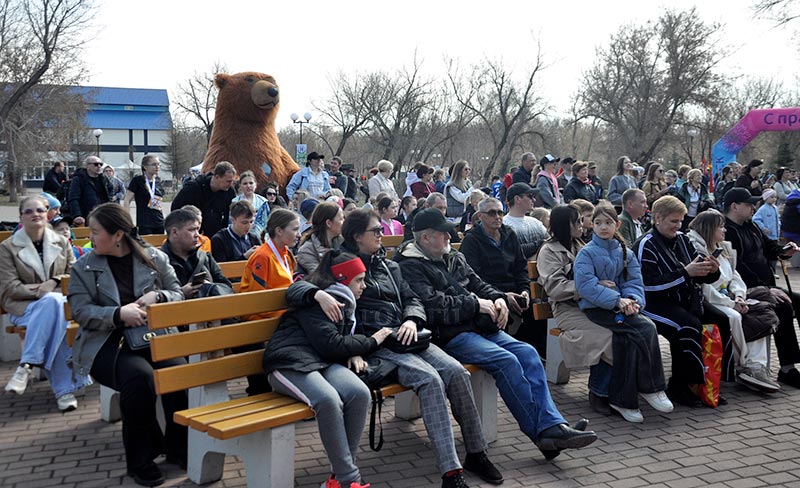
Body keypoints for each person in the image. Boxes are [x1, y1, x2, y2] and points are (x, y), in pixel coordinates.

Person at [295, 209, 504, 487]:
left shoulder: (387, 265)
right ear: (357, 236)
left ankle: (476, 453)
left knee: (457, 373)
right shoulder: (339, 264)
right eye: (376, 231)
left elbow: (412, 298)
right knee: (430, 380)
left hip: (409, 335)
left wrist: (411, 319)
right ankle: (451, 473)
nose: (383, 235)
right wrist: (317, 293)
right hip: (379, 343)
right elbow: (297, 289)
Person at [396, 208, 598, 461]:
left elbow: (478, 283)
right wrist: (476, 304)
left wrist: (498, 299)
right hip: (450, 335)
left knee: (527, 352)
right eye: (444, 233)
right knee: (507, 361)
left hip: (479, 327)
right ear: (426, 238)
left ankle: (552, 425)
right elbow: (431, 306)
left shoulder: (453, 257)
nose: (450, 237)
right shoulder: (410, 265)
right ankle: (543, 434)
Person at [68, 203, 187, 487]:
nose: (90, 238)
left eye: (95, 232)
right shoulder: (83, 267)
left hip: (151, 336)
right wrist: (117, 314)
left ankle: (178, 448)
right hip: (107, 344)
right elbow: (80, 311)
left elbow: (178, 292)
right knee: (140, 378)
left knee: (180, 375)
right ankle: (140, 460)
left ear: (118, 234)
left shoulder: (154, 258)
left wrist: (158, 297)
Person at [264, 251, 391, 488]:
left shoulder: (346, 302)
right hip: (288, 362)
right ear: (342, 280)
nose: (364, 286)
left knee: (359, 393)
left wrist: (355, 350)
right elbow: (330, 343)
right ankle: (349, 479)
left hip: (322, 361)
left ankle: (338, 478)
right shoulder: (319, 299)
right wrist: (373, 341)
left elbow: (338, 340)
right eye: (359, 280)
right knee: (328, 400)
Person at [574, 203, 671, 422]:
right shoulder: (586, 253)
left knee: (626, 339)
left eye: (608, 222)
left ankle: (623, 400)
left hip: (621, 307)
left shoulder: (623, 250)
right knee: (646, 327)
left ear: (617, 224)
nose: (603, 227)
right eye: (598, 223)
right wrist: (618, 300)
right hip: (599, 309)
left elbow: (634, 280)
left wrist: (634, 300)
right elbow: (586, 286)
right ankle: (651, 386)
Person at [634, 196, 733, 408]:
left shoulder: (683, 239)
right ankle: (680, 386)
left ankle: (711, 384)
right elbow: (647, 286)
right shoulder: (645, 244)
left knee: (721, 320)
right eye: (673, 221)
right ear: (657, 218)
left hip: (683, 298)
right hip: (652, 304)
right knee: (687, 326)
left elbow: (698, 274)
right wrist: (686, 274)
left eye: (680, 221)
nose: (678, 226)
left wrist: (711, 271)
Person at [1, 196, 92, 411]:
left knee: (55, 311)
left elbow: (73, 273)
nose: (35, 215)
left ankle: (26, 365)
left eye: (40, 210)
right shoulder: (7, 248)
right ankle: (64, 390)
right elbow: (8, 287)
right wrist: (41, 292)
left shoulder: (60, 242)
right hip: (23, 307)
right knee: (54, 307)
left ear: (47, 213)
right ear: (21, 217)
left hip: (58, 305)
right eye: (29, 211)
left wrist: (53, 282)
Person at [687, 210, 780, 393]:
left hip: (729, 297)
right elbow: (706, 289)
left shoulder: (723, 248)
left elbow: (735, 277)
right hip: (711, 300)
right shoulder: (697, 250)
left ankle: (756, 366)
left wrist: (739, 296)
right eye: (720, 226)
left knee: (759, 315)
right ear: (709, 229)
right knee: (734, 316)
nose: (724, 230)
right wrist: (732, 303)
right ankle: (743, 365)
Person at [536, 204, 614, 415]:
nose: (583, 224)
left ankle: (623, 387)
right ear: (564, 224)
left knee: (626, 329)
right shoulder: (548, 251)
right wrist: (589, 287)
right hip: (567, 309)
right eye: (577, 221)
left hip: (592, 304)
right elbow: (555, 288)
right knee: (605, 335)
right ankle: (598, 392)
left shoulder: (582, 245)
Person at [724, 188, 800, 388]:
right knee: (783, 306)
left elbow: (769, 248)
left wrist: (785, 251)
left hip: (766, 286)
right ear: (734, 206)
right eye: (749, 204)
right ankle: (787, 368)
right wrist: (765, 288)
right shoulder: (727, 232)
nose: (753, 207)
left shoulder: (751, 226)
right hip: (747, 289)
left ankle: (790, 363)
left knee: (797, 300)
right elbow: (738, 267)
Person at [461, 198, 543, 351]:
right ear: (480, 216)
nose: (497, 216)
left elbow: (520, 267)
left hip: (515, 291)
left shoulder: (509, 234)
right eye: (492, 213)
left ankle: (531, 352)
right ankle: (512, 352)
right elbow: (473, 278)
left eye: (500, 212)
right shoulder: (472, 240)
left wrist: (525, 291)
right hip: (490, 295)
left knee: (537, 312)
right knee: (498, 314)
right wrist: (503, 295)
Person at [240, 208, 300, 302]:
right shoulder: (262, 256)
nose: (299, 235)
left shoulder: (286, 254)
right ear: (279, 231)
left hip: (283, 308)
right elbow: (256, 299)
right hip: (264, 313)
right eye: (295, 229)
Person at [171, 161, 238, 238]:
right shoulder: (193, 188)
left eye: (233, 181)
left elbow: (230, 215)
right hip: (193, 234)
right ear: (217, 177)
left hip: (216, 236)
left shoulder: (229, 192)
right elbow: (176, 208)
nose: (231, 184)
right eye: (228, 181)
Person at [297, 202, 345, 275]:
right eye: (341, 219)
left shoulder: (343, 243)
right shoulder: (306, 250)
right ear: (329, 223)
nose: (344, 222)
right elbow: (319, 277)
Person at [503, 183, 548, 259]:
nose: (534, 200)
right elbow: (511, 252)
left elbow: (549, 242)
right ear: (517, 199)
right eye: (530, 196)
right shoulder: (504, 224)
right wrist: (539, 244)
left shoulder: (536, 222)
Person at [123, 155, 165, 235]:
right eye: (154, 164)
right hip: (145, 223)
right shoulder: (138, 180)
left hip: (159, 222)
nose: (157, 167)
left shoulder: (158, 181)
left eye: (159, 164)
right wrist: (128, 220)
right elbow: (127, 200)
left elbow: (159, 202)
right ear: (145, 167)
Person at [68, 156, 111, 227]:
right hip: (86, 216)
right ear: (88, 166)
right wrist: (77, 215)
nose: (99, 166)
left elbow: (110, 193)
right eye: (96, 164)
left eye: (101, 164)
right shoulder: (79, 179)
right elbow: (73, 198)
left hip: (103, 215)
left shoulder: (103, 179)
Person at [232, 170, 270, 236]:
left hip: (258, 235)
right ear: (240, 186)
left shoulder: (262, 202)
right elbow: (231, 221)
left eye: (251, 183)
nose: (248, 186)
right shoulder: (235, 201)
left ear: (255, 184)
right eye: (245, 183)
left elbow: (266, 222)